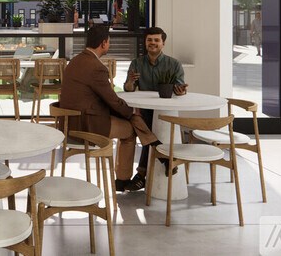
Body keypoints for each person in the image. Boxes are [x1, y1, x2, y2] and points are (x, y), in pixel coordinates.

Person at [60, 26, 163, 192]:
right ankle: (123, 179)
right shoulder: (96, 67)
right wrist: (130, 113)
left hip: (68, 124)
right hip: (87, 126)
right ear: (103, 43)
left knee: (131, 118)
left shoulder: (75, 61)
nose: (109, 45)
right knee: (130, 130)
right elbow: (112, 100)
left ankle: (156, 146)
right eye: (109, 42)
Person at [123, 26, 188, 191]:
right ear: (145, 43)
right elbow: (129, 90)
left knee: (147, 130)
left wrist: (180, 91)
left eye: (156, 40)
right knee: (146, 126)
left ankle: (141, 175)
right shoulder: (136, 63)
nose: (153, 43)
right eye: (149, 40)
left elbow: (179, 88)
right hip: (145, 111)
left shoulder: (173, 64)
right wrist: (130, 81)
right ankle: (165, 161)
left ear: (163, 43)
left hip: (166, 112)